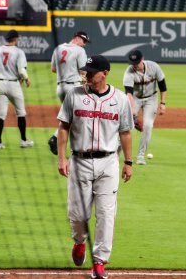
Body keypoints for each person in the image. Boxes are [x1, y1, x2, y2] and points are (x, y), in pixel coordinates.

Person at [57, 55, 133, 279]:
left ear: (105, 73)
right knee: (78, 215)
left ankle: (99, 261)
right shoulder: (74, 95)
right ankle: (79, 241)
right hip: (79, 161)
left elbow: (126, 133)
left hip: (108, 162)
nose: (87, 75)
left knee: (106, 214)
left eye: (91, 71)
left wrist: (128, 162)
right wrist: (62, 159)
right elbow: (63, 128)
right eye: (86, 71)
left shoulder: (119, 99)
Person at [0, 29, 34, 149]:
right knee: (21, 113)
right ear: (16, 39)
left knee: (1, 114)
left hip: (0, 84)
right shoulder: (19, 52)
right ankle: (23, 141)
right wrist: (27, 79)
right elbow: (21, 70)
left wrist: (1, 72)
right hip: (14, 85)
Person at [48, 31, 90, 155]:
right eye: (84, 41)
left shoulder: (58, 48)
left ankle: (63, 142)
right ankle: (57, 138)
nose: (84, 44)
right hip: (74, 87)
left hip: (60, 88)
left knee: (71, 117)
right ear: (76, 38)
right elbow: (84, 72)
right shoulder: (79, 51)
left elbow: (53, 69)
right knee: (79, 116)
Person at [123, 49, 167, 165]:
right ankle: (115, 154)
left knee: (148, 125)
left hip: (151, 98)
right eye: (132, 63)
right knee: (126, 125)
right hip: (135, 99)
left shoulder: (154, 67)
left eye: (137, 62)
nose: (134, 65)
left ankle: (140, 156)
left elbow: (162, 86)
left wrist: (163, 103)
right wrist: (132, 113)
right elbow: (128, 94)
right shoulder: (129, 72)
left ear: (142, 59)